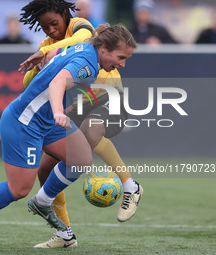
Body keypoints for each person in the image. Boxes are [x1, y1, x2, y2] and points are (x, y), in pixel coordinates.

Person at [0, 23, 135, 252]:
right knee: (18, 189)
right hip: (25, 122)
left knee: (81, 159)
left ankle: (43, 202)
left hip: (45, 121)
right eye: (121, 57)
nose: (123, 64)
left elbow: (58, 54)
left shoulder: (86, 48)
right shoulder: (88, 63)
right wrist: (58, 110)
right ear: (105, 48)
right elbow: (58, 83)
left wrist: (43, 56)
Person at [19, 0, 142, 248]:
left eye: (54, 23)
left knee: (90, 130)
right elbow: (28, 84)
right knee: (44, 170)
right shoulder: (46, 45)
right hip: (79, 105)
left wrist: (49, 53)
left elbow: (85, 36)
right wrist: (39, 65)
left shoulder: (78, 25)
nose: (51, 30)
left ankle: (131, 186)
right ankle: (65, 235)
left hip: (109, 95)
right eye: (45, 27)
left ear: (65, 14)